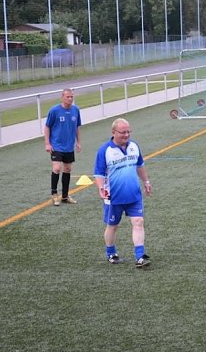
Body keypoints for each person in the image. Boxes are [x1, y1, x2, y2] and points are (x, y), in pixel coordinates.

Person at [93, 118, 153, 268]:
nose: (126, 135)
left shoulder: (134, 146)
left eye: (128, 132)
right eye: (123, 132)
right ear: (114, 132)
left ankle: (140, 256)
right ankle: (111, 253)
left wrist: (146, 182)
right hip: (113, 196)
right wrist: (101, 188)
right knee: (113, 225)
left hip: (134, 194)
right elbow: (99, 173)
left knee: (138, 222)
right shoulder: (105, 150)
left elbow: (140, 165)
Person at [44, 88, 82, 206]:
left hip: (69, 146)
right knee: (56, 168)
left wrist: (78, 142)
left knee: (67, 169)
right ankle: (54, 194)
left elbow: (77, 127)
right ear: (62, 97)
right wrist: (47, 143)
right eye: (68, 97)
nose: (70, 99)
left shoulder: (76, 110)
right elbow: (47, 127)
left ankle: (65, 196)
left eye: (71, 97)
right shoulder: (54, 111)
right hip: (56, 145)